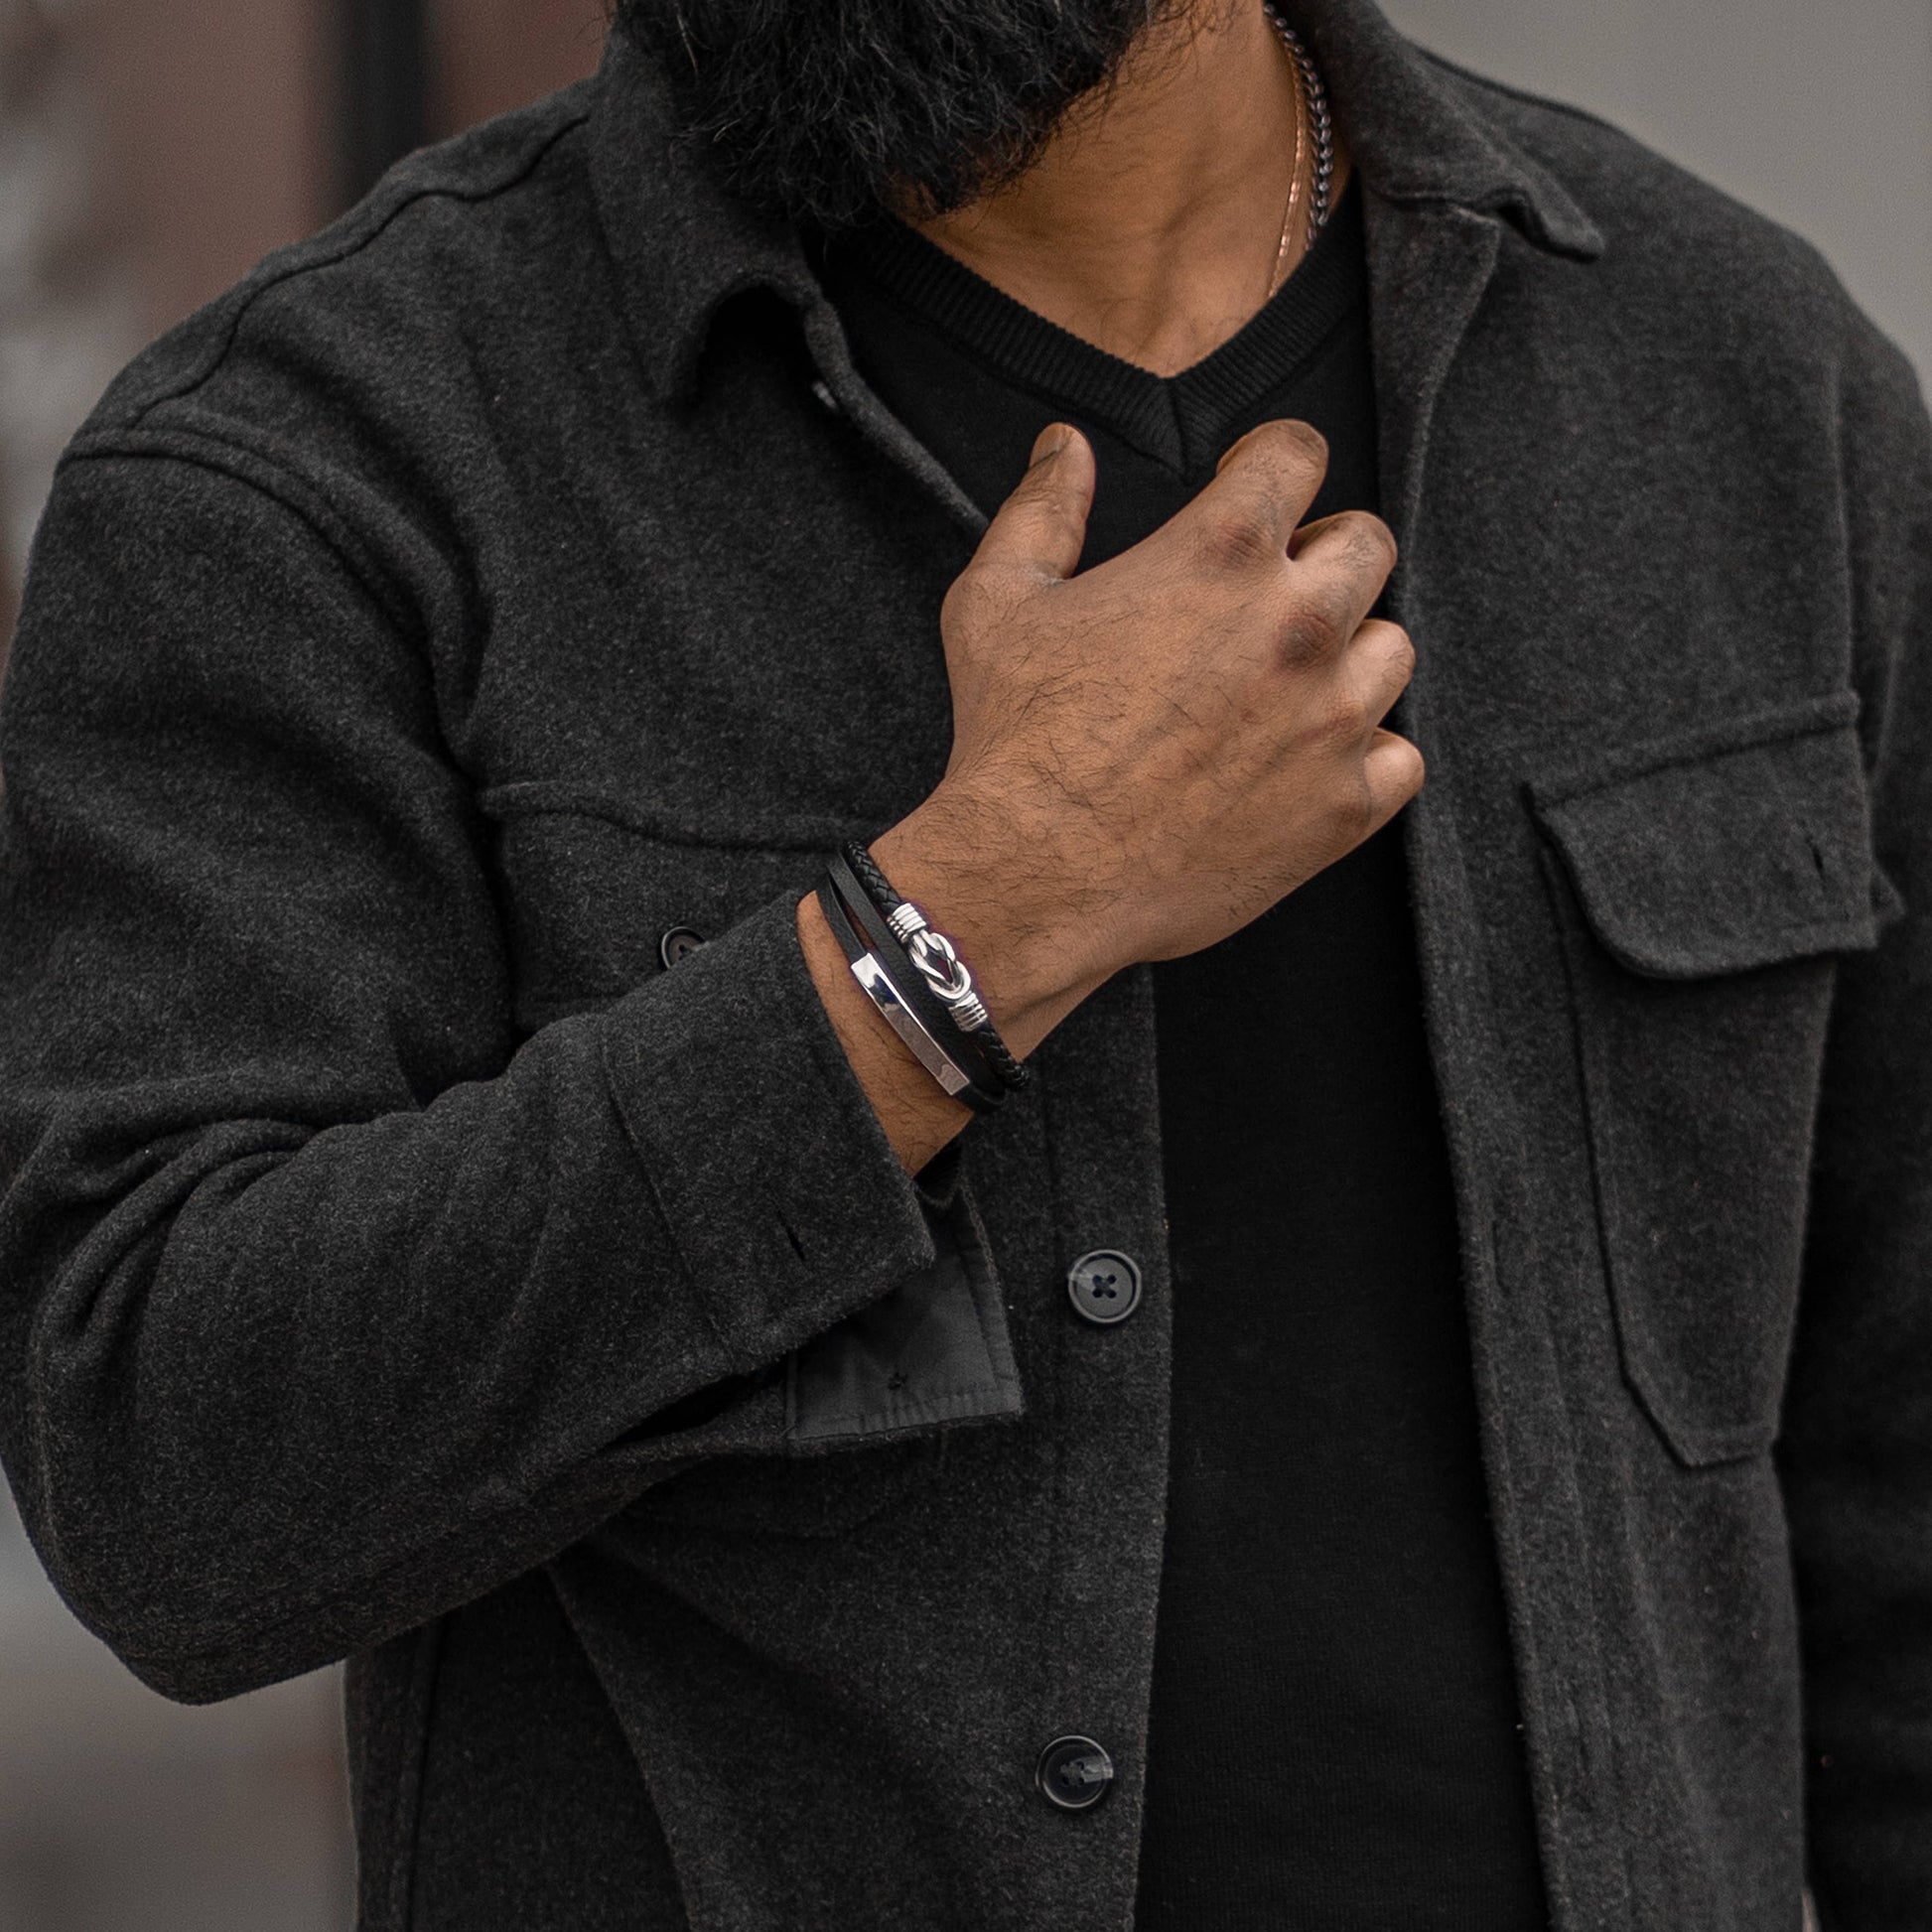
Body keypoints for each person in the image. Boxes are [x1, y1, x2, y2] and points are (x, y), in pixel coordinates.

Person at [0, 0, 1925, 1925]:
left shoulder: (1745, 384)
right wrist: (959, 937)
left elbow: (1893, 1492)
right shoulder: (317, 458)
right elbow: (165, 1474)